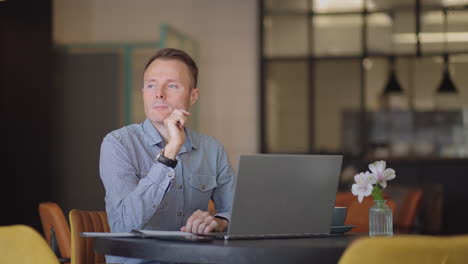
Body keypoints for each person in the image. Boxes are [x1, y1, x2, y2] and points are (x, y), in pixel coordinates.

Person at [99, 48, 235, 264]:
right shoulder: (117, 144)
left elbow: (236, 210)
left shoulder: (212, 149)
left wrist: (220, 221)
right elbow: (127, 222)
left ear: (193, 95)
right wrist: (170, 152)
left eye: (171, 85)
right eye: (151, 85)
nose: (159, 93)